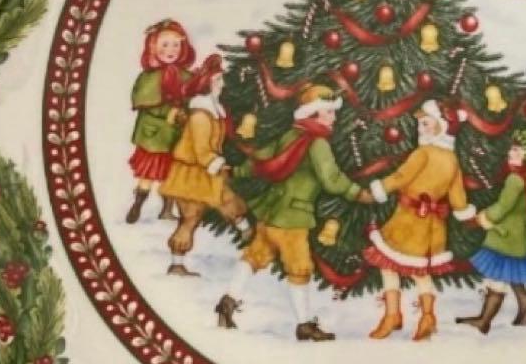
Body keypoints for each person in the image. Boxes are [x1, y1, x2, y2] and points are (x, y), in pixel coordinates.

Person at [221, 84, 363, 342]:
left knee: (255, 255)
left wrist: (236, 171)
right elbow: (331, 180)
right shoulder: (318, 143)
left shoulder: (291, 135)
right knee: (299, 269)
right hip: (293, 219)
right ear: (314, 113)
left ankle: (228, 301)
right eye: (329, 112)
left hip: (271, 212)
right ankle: (304, 324)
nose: (334, 117)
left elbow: (261, 158)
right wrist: (357, 192)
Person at [362, 100, 476, 342]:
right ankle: (427, 317)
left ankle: (392, 315)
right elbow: (458, 197)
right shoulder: (452, 159)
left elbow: (401, 176)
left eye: (426, 123)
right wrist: (464, 211)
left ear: (441, 126)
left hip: (408, 220)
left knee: (388, 264)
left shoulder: (423, 153)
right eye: (420, 124)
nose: (421, 128)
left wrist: (379, 188)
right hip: (434, 226)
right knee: (421, 271)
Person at [459, 128, 526, 334]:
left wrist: (480, 219)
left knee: (496, 278)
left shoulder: (516, 179)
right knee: (512, 271)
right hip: (523, 237)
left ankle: (485, 320)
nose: (510, 152)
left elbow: (501, 209)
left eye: (516, 149)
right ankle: (525, 301)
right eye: (512, 148)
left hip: (505, 237)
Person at [126, 19, 220, 224]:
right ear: (153, 47)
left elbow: (193, 93)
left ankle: (167, 209)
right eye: (165, 44)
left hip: (176, 135)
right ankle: (138, 204)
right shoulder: (149, 77)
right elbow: (143, 100)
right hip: (154, 135)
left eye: (176, 44)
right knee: (148, 173)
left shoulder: (185, 75)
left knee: (172, 174)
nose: (171, 50)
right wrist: (167, 111)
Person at [160, 72, 251, 280]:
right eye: (217, 80)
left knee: (228, 199)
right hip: (191, 174)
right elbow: (201, 150)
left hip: (206, 172)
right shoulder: (200, 115)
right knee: (190, 217)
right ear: (206, 83)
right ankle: (176, 264)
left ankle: (246, 231)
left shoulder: (213, 110)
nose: (222, 83)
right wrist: (216, 163)